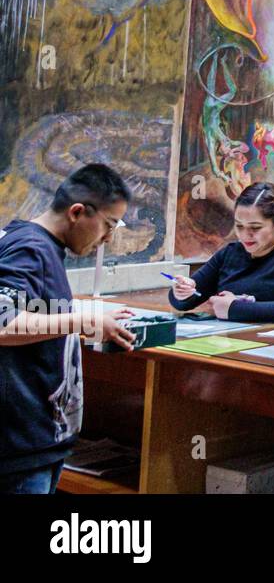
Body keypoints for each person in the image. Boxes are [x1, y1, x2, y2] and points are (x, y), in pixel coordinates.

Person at [0, 164, 137, 494]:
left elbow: (32, 308)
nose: (107, 238)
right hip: (21, 451)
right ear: (77, 212)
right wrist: (84, 321)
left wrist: (85, 311)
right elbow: (3, 322)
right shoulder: (31, 249)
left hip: (34, 445)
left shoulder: (35, 243)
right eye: (107, 225)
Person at [169, 182, 274, 324]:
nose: (245, 235)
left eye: (255, 228)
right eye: (239, 226)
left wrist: (233, 309)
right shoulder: (230, 252)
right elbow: (185, 301)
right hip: (230, 341)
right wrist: (181, 291)